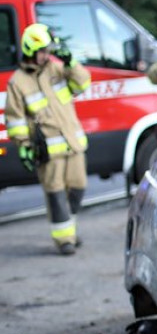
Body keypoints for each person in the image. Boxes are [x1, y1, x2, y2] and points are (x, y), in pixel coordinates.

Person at [5, 23, 92, 254]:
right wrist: (23, 145)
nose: (47, 54)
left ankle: (69, 231)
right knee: (55, 193)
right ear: (30, 50)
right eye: (43, 50)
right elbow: (15, 119)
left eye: (49, 50)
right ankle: (64, 240)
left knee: (78, 187)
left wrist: (71, 62)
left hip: (72, 143)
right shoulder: (17, 82)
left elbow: (83, 83)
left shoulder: (56, 70)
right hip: (48, 150)